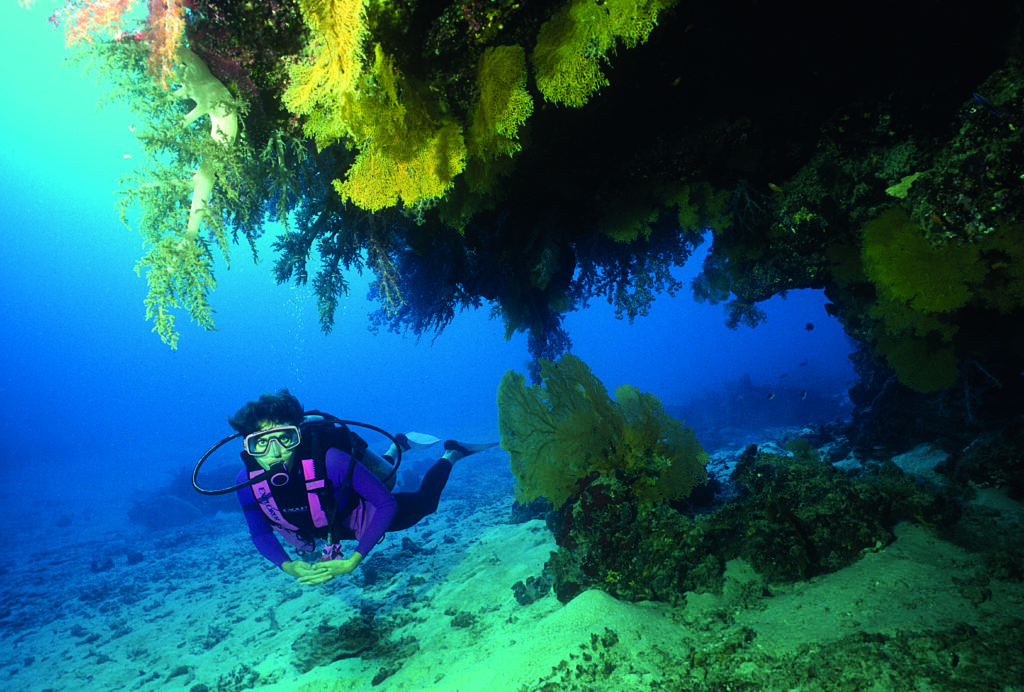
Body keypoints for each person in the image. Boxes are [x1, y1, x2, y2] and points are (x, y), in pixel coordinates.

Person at [228, 389, 492, 585]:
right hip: (326, 528)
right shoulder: (246, 481)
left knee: (425, 501)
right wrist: (288, 566)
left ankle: (452, 453)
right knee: (379, 475)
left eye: (285, 438)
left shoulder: (331, 460)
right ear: (247, 446)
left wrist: (355, 559)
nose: (274, 452)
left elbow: (386, 504)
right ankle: (397, 446)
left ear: (298, 436)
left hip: (357, 512)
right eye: (260, 443)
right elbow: (260, 533)